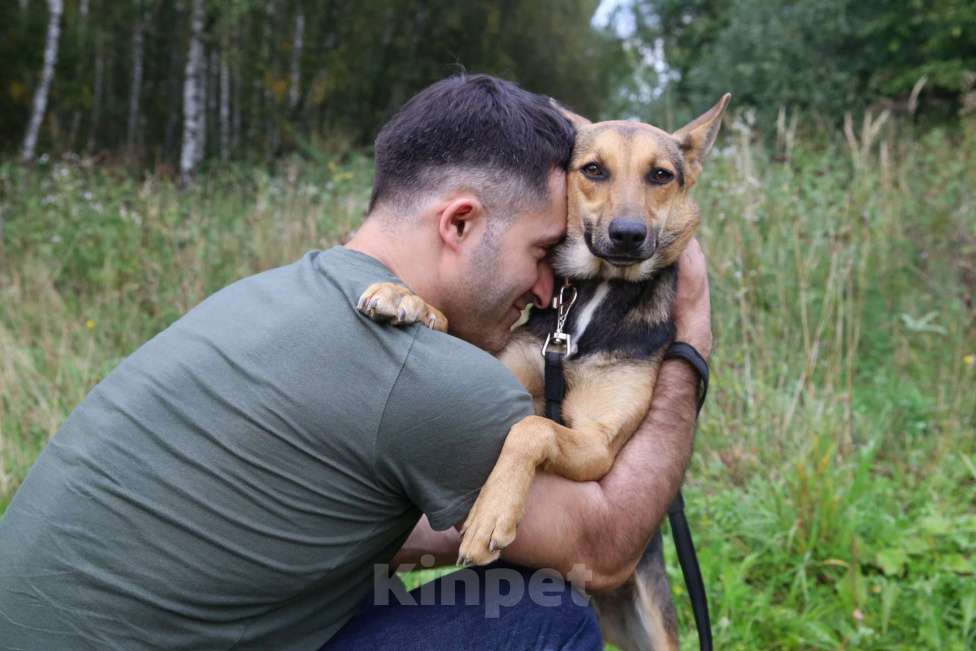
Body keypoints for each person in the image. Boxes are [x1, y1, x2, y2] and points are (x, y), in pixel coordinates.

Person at [0, 74, 711, 650]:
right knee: (547, 612)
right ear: (460, 222)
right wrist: (689, 333)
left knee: (384, 582)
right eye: (539, 253)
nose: (548, 287)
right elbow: (603, 550)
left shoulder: (271, 293)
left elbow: (391, 532)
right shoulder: (427, 380)